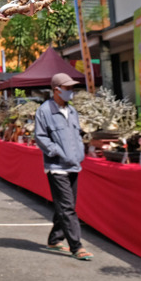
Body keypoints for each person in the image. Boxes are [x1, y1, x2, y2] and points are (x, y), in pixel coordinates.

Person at [33, 72, 94, 261]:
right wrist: (56, 151)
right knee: (67, 207)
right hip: (57, 166)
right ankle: (76, 246)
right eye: (68, 88)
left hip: (74, 164)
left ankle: (54, 239)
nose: (71, 91)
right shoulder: (44, 111)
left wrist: (80, 153)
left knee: (67, 205)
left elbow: (76, 135)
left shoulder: (72, 111)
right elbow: (40, 137)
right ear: (56, 89)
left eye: (72, 88)